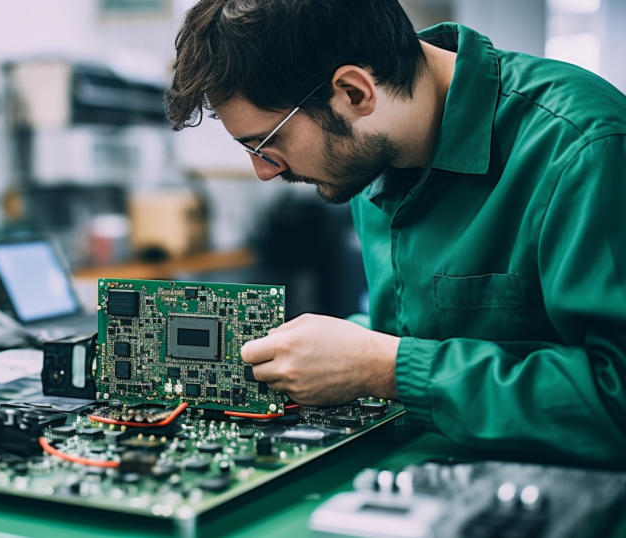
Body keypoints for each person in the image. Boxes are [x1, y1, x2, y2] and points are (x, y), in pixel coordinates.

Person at [165, 0, 626, 464]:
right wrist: (342, 348)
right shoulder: (370, 154)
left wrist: (385, 367)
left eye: (266, 143)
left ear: (354, 92)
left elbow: (618, 395)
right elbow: (418, 332)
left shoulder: (583, 147)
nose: (264, 172)